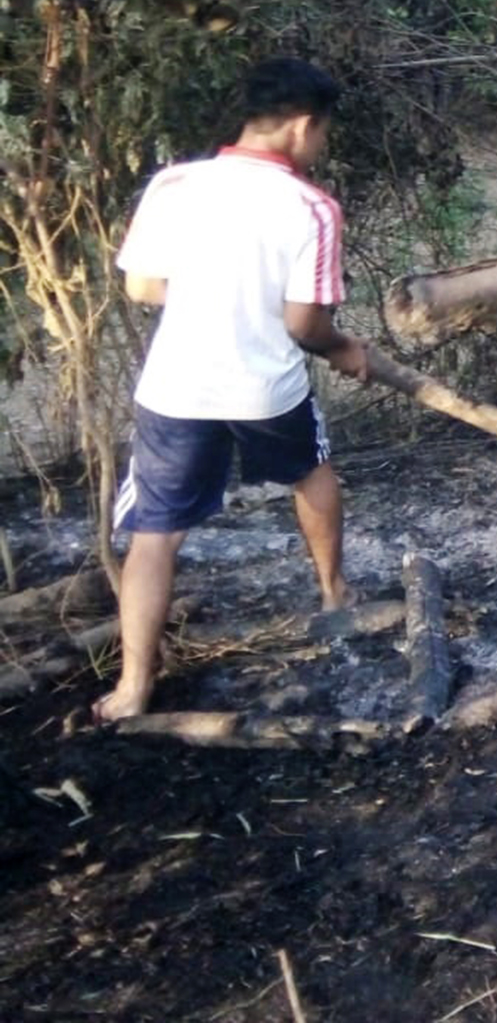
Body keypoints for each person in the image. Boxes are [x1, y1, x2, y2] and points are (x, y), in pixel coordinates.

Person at [94, 57, 371, 723]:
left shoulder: (175, 184)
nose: (322, 145)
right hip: (264, 388)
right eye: (323, 133)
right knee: (310, 473)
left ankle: (132, 687)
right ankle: (334, 596)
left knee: (155, 532)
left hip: (176, 387)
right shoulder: (312, 207)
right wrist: (344, 349)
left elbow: (142, 287)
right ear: (302, 127)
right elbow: (304, 323)